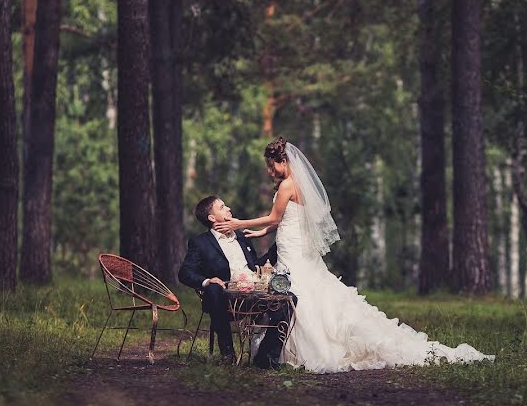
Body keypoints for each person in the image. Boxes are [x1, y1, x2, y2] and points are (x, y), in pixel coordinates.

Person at [214, 137, 495, 374]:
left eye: (270, 164)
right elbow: (279, 221)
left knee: (300, 290)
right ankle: (281, 348)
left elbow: (274, 215)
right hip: (291, 244)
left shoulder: (288, 185)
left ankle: (302, 349)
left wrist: (239, 224)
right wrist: (262, 233)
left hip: (294, 249)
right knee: (303, 289)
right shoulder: (293, 184)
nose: (269, 170)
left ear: (283, 161)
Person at [178, 195, 292, 369]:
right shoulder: (200, 242)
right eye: (222, 207)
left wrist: (281, 244)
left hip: (254, 297)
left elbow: (256, 267)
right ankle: (227, 354)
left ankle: (266, 357)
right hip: (224, 300)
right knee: (214, 289)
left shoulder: (241, 236)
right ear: (211, 217)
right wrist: (208, 281)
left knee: (290, 299)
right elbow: (184, 273)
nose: (228, 208)